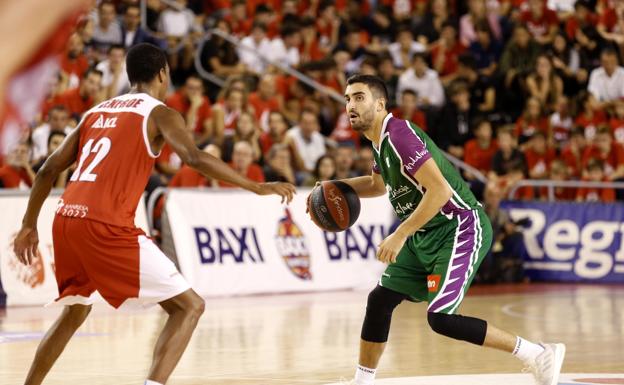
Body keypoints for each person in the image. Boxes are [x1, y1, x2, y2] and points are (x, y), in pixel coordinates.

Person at [12, 43, 295, 385]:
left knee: (75, 310)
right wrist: (256, 186)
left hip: (65, 218)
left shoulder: (96, 112)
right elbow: (194, 158)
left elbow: (46, 170)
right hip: (105, 224)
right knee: (189, 307)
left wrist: (29, 224)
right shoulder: (159, 112)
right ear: (163, 73)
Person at [326, 74, 564, 385]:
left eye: (358, 97)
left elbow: (439, 192)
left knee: (441, 319)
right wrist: (334, 187)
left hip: (460, 226)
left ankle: (536, 353)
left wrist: (400, 234)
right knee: (380, 300)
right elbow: (376, 185)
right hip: (427, 231)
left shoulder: (400, 135)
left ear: (380, 104)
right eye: (346, 99)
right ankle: (363, 380)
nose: (350, 105)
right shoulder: (379, 142)